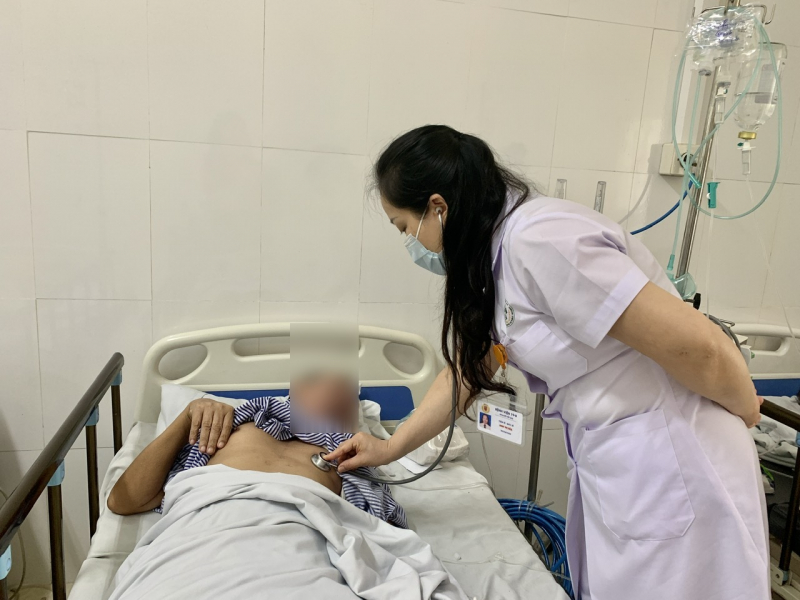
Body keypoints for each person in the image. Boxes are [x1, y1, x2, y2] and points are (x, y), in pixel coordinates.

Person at [325, 125, 769, 599]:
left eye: (404, 228)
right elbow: (468, 372)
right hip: (624, 462)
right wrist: (388, 448)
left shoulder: (542, 240)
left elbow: (701, 346)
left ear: (438, 207)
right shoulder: (494, 259)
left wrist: (745, 407)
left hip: (676, 461)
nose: (412, 245)